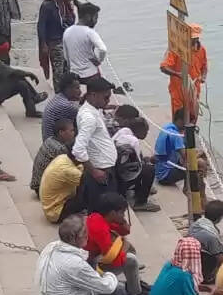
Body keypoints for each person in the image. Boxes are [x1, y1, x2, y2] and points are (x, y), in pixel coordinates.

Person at [84, 192, 147, 295]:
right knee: (131, 260)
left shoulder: (100, 218)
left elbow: (125, 230)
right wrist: (124, 245)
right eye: (122, 213)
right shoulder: (99, 228)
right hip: (92, 266)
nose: (123, 215)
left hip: (96, 256)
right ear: (113, 213)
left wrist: (122, 222)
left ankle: (134, 281)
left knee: (125, 248)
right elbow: (113, 259)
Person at [71, 76, 118, 212]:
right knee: (103, 212)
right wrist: (94, 171)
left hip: (106, 168)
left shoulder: (93, 109)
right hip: (100, 173)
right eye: (105, 97)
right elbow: (78, 149)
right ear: (93, 95)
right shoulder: (88, 117)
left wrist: (105, 106)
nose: (108, 100)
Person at [0, 41, 47, 117]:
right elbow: (14, 72)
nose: (6, 55)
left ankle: (35, 98)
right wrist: (30, 74)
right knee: (21, 84)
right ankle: (32, 107)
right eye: (5, 53)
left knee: (17, 77)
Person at [159, 23, 207, 121]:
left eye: (195, 38)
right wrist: (178, 74)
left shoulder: (201, 50)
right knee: (178, 117)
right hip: (178, 89)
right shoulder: (175, 49)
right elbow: (163, 67)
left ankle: (191, 132)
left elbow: (204, 66)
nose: (193, 40)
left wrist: (203, 77)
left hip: (194, 89)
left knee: (193, 115)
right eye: (191, 38)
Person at [112, 116, 160, 212]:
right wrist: (149, 160)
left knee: (140, 166)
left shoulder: (123, 131)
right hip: (122, 178)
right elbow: (139, 166)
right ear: (140, 130)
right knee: (149, 170)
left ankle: (138, 190)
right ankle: (141, 202)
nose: (147, 133)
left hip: (114, 172)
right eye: (146, 131)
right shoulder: (133, 141)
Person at [37, 0, 76, 90]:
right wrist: (43, 44)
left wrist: (71, 7)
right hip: (54, 43)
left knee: (67, 70)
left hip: (67, 42)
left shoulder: (66, 6)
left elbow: (72, 23)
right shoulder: (47, 6)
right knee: (58, 71)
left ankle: (67, 94)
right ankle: (59, 95)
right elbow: (41, 26)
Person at [38, 133, 83, 223]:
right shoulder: (68, 170)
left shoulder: (63, 158)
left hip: (51, 204)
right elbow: (89, 182)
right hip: (56, 212)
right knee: (90, 192)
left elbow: (81, 167)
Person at [63, 2, 107, 84]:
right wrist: (99, 60)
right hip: (91, 74)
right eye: (95, 18)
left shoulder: (67, 31)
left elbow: (66, 55)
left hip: (74, 73)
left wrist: (71, 67)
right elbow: (103, 49)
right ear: (88, 16)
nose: (96, 21)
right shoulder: (90, 32)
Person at [186, 199, 223, 284]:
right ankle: (210, 276)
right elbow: (220, 259)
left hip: (191, 260)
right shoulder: (211, 236)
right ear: (220, 218)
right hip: (203, 265)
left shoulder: (196, 224)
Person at [31, 117, 76, 193]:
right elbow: (68, 171)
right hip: (43, 188)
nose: (74, 133)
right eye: (71, 131)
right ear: (61, 132)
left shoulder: (50, 139)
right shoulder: (60, 149)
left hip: (37, 183)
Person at [41, 73, 82, 142]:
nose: (80, 92)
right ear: (68, 89)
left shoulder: (58, 97)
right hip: (56, 145)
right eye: (77, 88)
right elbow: (84, 118)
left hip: (48, 142)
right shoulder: (66, 106)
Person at [154, 108, 187, 185]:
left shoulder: (167, 127)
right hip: (165, 176)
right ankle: (191, 191)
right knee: (197, 166)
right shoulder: (176, 135)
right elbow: (186, 156)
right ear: (180, 120)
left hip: (159, 170)